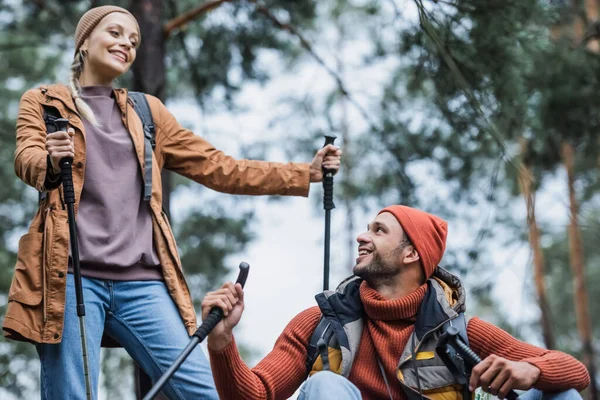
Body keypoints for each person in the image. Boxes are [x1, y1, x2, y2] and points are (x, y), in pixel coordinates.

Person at [2, 5, 341, 400]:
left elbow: (220, 167)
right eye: (114, 33)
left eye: (133, 41)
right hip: (73, 276)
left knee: (206, 392)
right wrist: (48, 158)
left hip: (143, 283)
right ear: (85, 40)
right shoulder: (45, 102)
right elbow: (26, 160)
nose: (125, 44)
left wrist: (305, 174)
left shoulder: (147, 112)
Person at [202, 205, 591, 400]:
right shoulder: (318, 324)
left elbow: (576, 372)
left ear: (410, 255)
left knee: (561, 392)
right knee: (325, 385)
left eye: (378, 230)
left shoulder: (462, 330)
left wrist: (530, 371)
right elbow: (257, 394)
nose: (361, 236)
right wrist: (221, 342)